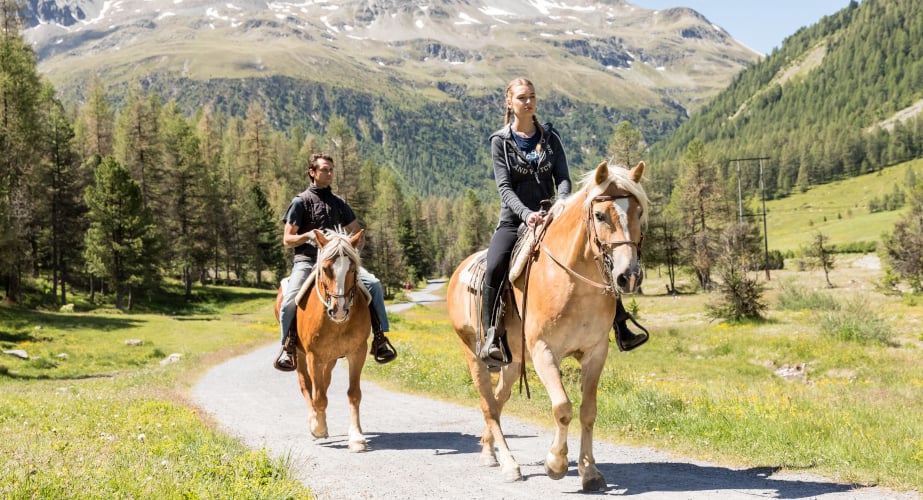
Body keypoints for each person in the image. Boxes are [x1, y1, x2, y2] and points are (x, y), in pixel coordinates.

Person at [480, 78, 647, 369]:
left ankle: (620, 323)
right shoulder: (501, 142)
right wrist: (526, 214)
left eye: (532, 96)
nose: (528, 102)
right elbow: (504, 188)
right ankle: (492, 335)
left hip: (553, 215)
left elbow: (563, 178)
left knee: (598, 254)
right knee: (494, 265)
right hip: (515, 220)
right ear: (509, 102)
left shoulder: (550, 137)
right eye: (521, 97)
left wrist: (562, 205)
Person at [274, 153, 397, 371]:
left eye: (331, 169)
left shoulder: (339, 203)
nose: (329, 173)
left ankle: (380, 338)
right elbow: (287, 239)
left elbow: (357, 232)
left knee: (374, 285)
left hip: (339, 263)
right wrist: (308, 236)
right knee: (289, 301)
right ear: (312, 172)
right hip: (307, 260)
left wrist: (351, 251)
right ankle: (289, 346)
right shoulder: (300, 202)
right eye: (324, 169)